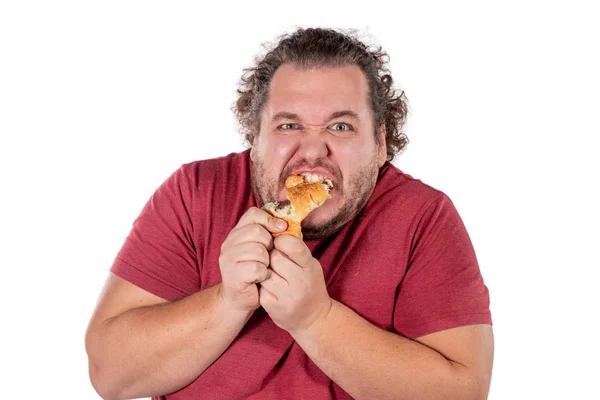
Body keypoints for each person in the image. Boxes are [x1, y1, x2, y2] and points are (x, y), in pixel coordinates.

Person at [85, 27, 494, 400]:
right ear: (255, 136)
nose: (313, 151)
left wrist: (315, 319)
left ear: (381, 142)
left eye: (340, 127)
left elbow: (462, 393)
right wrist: (228, 302)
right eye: (288, 126)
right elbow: (110, 373)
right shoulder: (195, 193)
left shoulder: (423, 217)